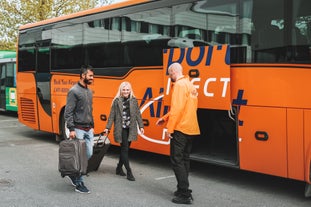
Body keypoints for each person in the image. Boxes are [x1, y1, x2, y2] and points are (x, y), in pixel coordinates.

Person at [156, 62, 200, 204]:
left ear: (173, 71)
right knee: (185, 159)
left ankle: (184, 194)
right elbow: (188, 108)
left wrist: (169, 129)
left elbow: (177, 109)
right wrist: (164, 118)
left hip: (181, 128)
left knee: (177, 160)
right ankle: (183, 188)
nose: (169, 77)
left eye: (169, 74)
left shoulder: (180, 86)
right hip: (191, 128)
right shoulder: (190, 84)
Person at [103, 81, 144, 181]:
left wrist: (141, 126)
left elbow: (138, 113)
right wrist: (107, 127)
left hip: (130, 128)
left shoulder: (134, 100)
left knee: (125, 149)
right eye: (124, 90)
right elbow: (112, 115)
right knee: (125, 149)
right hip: (120, 128)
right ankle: (129, 172)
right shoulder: (116, 101)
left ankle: (118, 168)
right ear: (121, 90)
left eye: (127, 90)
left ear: (130, 90)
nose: (126, 91)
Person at [64, 65, 94, 193]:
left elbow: (89, 111)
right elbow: (68, 112)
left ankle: (72, 174)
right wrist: (71, 129)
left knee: (89, 153)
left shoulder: (89, 91)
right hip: (78, 128)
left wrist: (92, 125)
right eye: (90, 76)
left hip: (89, 129)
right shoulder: (74, 91)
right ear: (83, 75)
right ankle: (79, 183)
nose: (93, 78)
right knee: (81, 157)